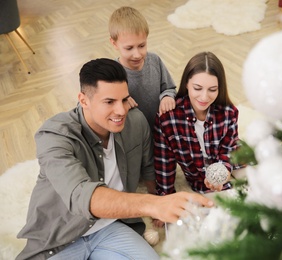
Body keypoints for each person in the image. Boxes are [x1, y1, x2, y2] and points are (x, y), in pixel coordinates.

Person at [16, 58, 213, 260]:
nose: (121, 111)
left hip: (110, 228)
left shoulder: (135, 122)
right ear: (83, 100)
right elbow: (81, 195)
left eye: (124, 99)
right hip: (60, 239)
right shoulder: (54, 135)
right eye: (109, 102)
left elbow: (148, 167)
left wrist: (161, 203)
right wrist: (153, 204)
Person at [154, 51, 243, 197]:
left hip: (231, 159)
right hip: (199, 179)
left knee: (260, 183)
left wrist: (225, 169)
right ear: (187, 83)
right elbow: (164, 161)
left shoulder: (229, 112)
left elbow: (228, 149)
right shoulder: (168, 119)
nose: (204, 97)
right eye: (197, 88)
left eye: (212, 90)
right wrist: (165, 196)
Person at [109, 6, 176, 129]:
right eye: (129, 48)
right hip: (134, 134)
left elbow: (169, 88)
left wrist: (167, 96)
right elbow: (109, 107)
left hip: (160, 129)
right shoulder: (112, 74)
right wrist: (122, 101)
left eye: (142, 45)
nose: (137, 54)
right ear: (114, 44)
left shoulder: (155, 60)